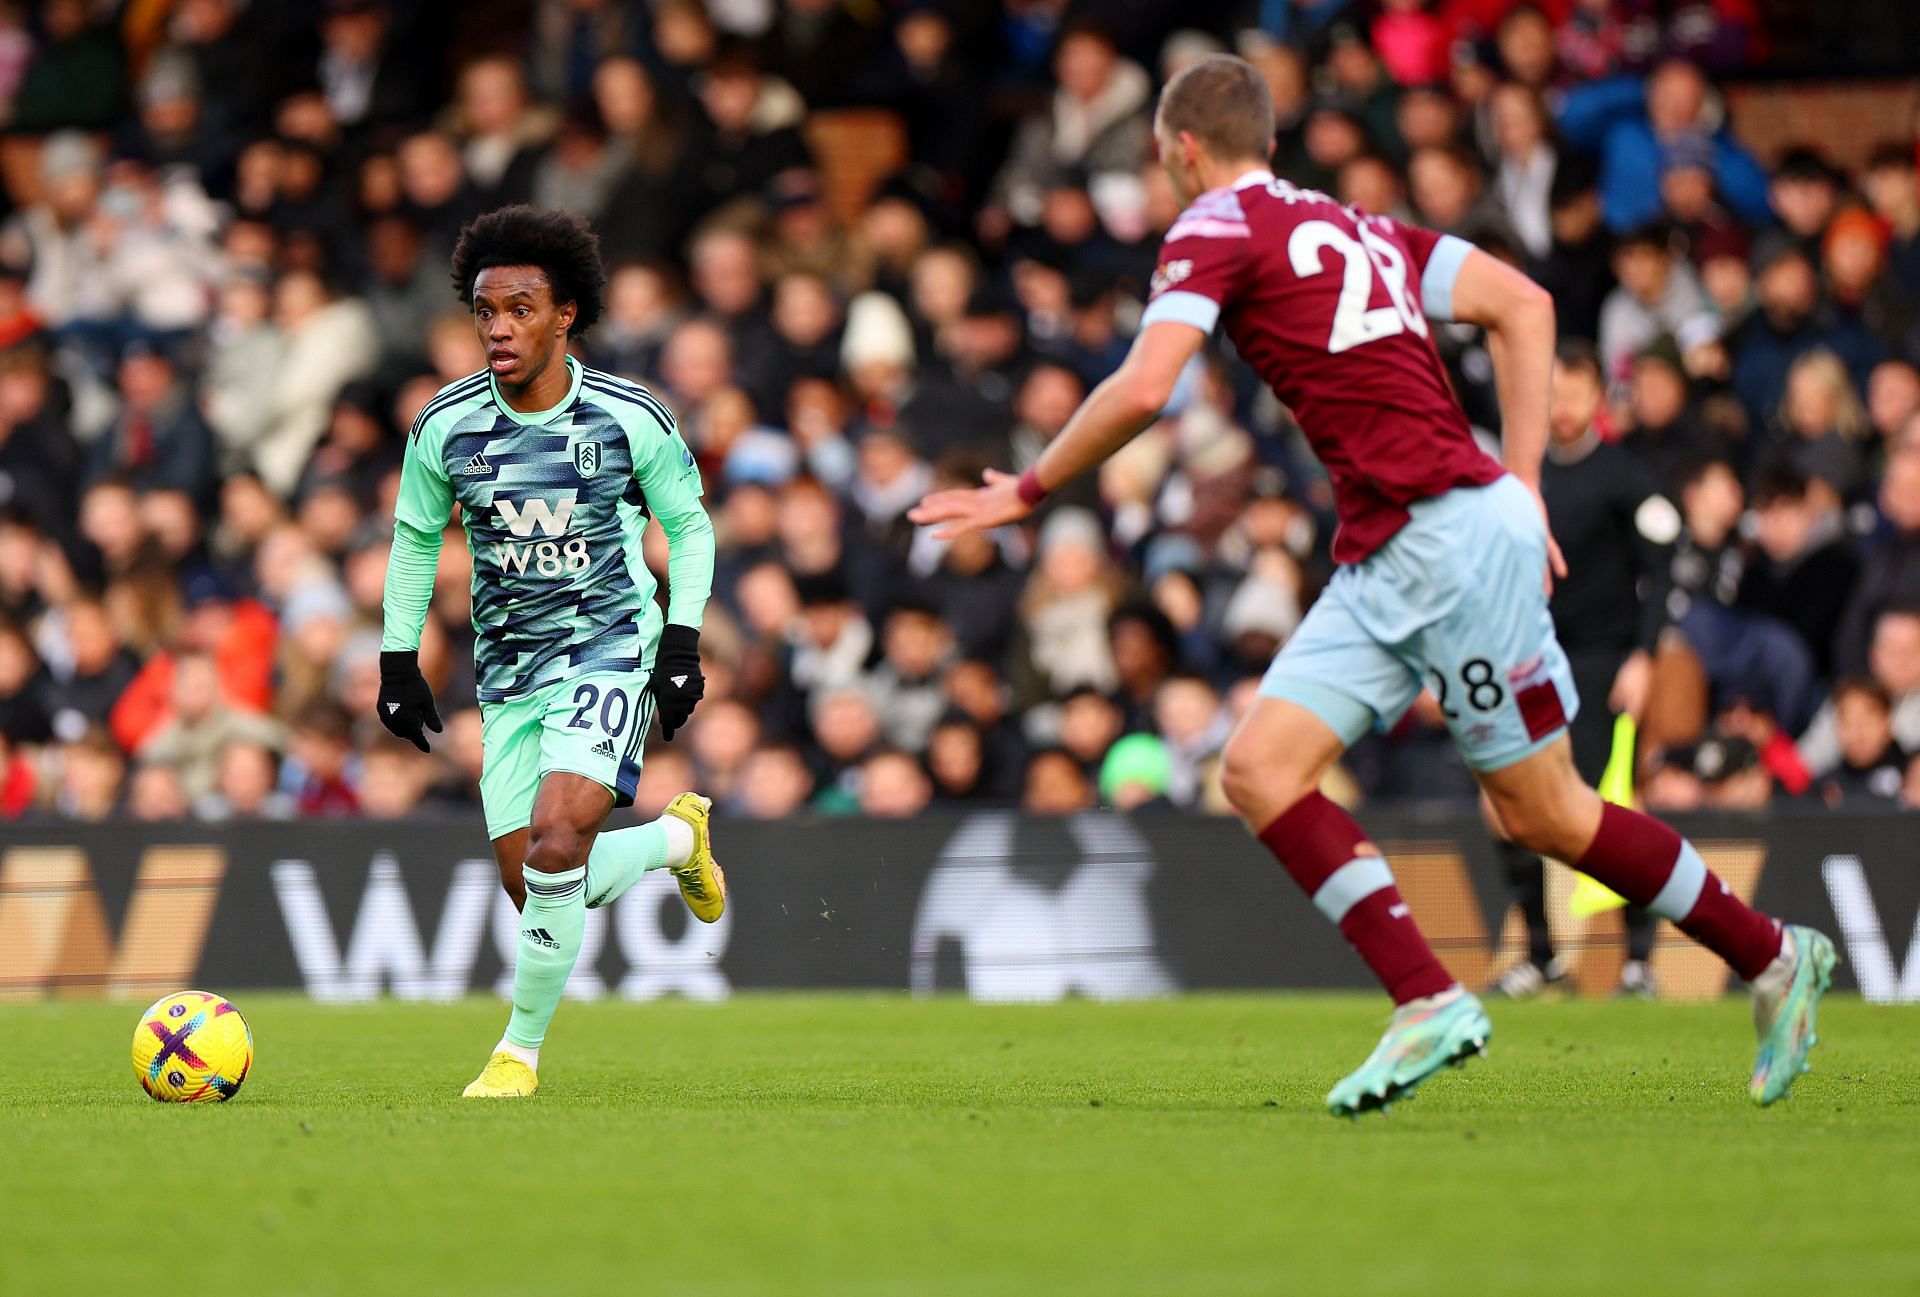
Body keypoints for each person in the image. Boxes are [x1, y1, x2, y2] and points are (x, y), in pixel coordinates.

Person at [912, 54, 1835, 1116]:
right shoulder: (1360, 227)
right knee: (1260, 769)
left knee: (1545, 812)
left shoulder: (1214, 227)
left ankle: (1770, 954)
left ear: (1181, 149)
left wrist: (1031, 487)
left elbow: (1147, 384)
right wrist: (1526, 482)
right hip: (1393, 543)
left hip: (1444, 540)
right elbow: (1523, 304)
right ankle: (1427, 997)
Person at [377, 206, 723, 1100]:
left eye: (521, 308)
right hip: (508, 670)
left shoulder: (628, 413)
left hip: (610, 646)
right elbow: (417, 539)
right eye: (486, 310)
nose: (499, 327)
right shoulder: (446, 425)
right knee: (535, 882)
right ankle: (674, 839)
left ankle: (516, 1054)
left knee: (561, 835)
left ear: (565, 315)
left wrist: (681, 640)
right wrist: (397, 659)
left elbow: (687, 525)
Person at [1489, 342, 1673, 1001]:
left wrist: (1644, 655)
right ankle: (1541, 957)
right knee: (1513, 803)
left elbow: (1662, 571)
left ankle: (1639, 961)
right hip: (1533, 660)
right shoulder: (1521, 476)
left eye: (1574, 392)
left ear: (1599, 395)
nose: (1561, 407)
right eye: (1551, 392)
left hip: (1603, 664)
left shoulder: (1625, 475)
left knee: (1606, 809)